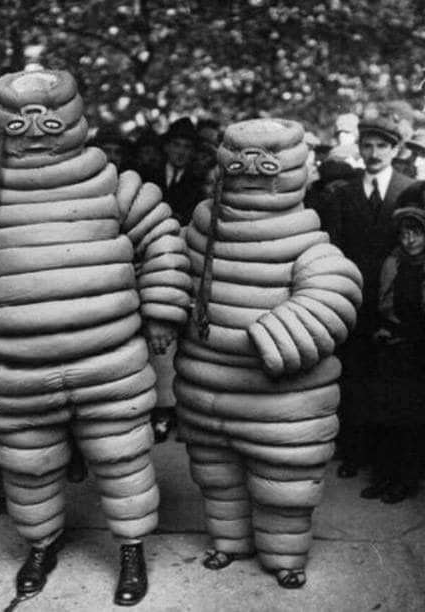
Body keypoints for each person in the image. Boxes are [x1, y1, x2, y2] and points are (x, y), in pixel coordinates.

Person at [0, 68, 191, 607]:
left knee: (123, 459)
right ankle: (40, 545)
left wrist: (162, 310)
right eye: (19, 123)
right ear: (0, 127)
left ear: (72, 121)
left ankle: (131, 549)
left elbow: (162, 238)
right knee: (28, 465)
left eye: (48, 121)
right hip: (18, 367)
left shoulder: (113, 185)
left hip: (108, 359)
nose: (34, 132)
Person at [174, 118, 362, 589]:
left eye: (266, 161)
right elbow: (173, 270)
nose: (251, 170)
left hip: (280, 401)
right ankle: (228, 542)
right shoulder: (201, 229)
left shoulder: (307, 240)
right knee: (217, 476)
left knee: (283, 487)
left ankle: (285, 557)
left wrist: (283, 334)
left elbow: (336, 289)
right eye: (240, 160)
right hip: (206, 390)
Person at [321, 109, 416, 479]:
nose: (374, 153)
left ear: (395, 150)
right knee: (354, 373)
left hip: (395, 300)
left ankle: (386, 459)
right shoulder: (343, 192)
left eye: (382, 146)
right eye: (368, 146)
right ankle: (354, 450)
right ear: (359, 148)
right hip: (354, 299)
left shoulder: (410, 189)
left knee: (391, 380)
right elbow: (334, 247)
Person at [361, 205, 425, 503]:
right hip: (391, 350)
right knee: (383, 416)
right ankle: (383, 476)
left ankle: (405, 481)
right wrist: (382, 330)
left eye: (416, 233)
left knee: (409, 420)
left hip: (418, 353)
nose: (409, 240)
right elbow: (381, 305)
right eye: (404, 234)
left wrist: (404, 335)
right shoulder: (393, 263)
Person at [154, 117, 204, 226]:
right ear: (166, 147)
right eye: (176, 145)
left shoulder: (198, 182)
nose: (181, 152)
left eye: (187, 147)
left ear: (193, 152)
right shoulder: (150, 174)